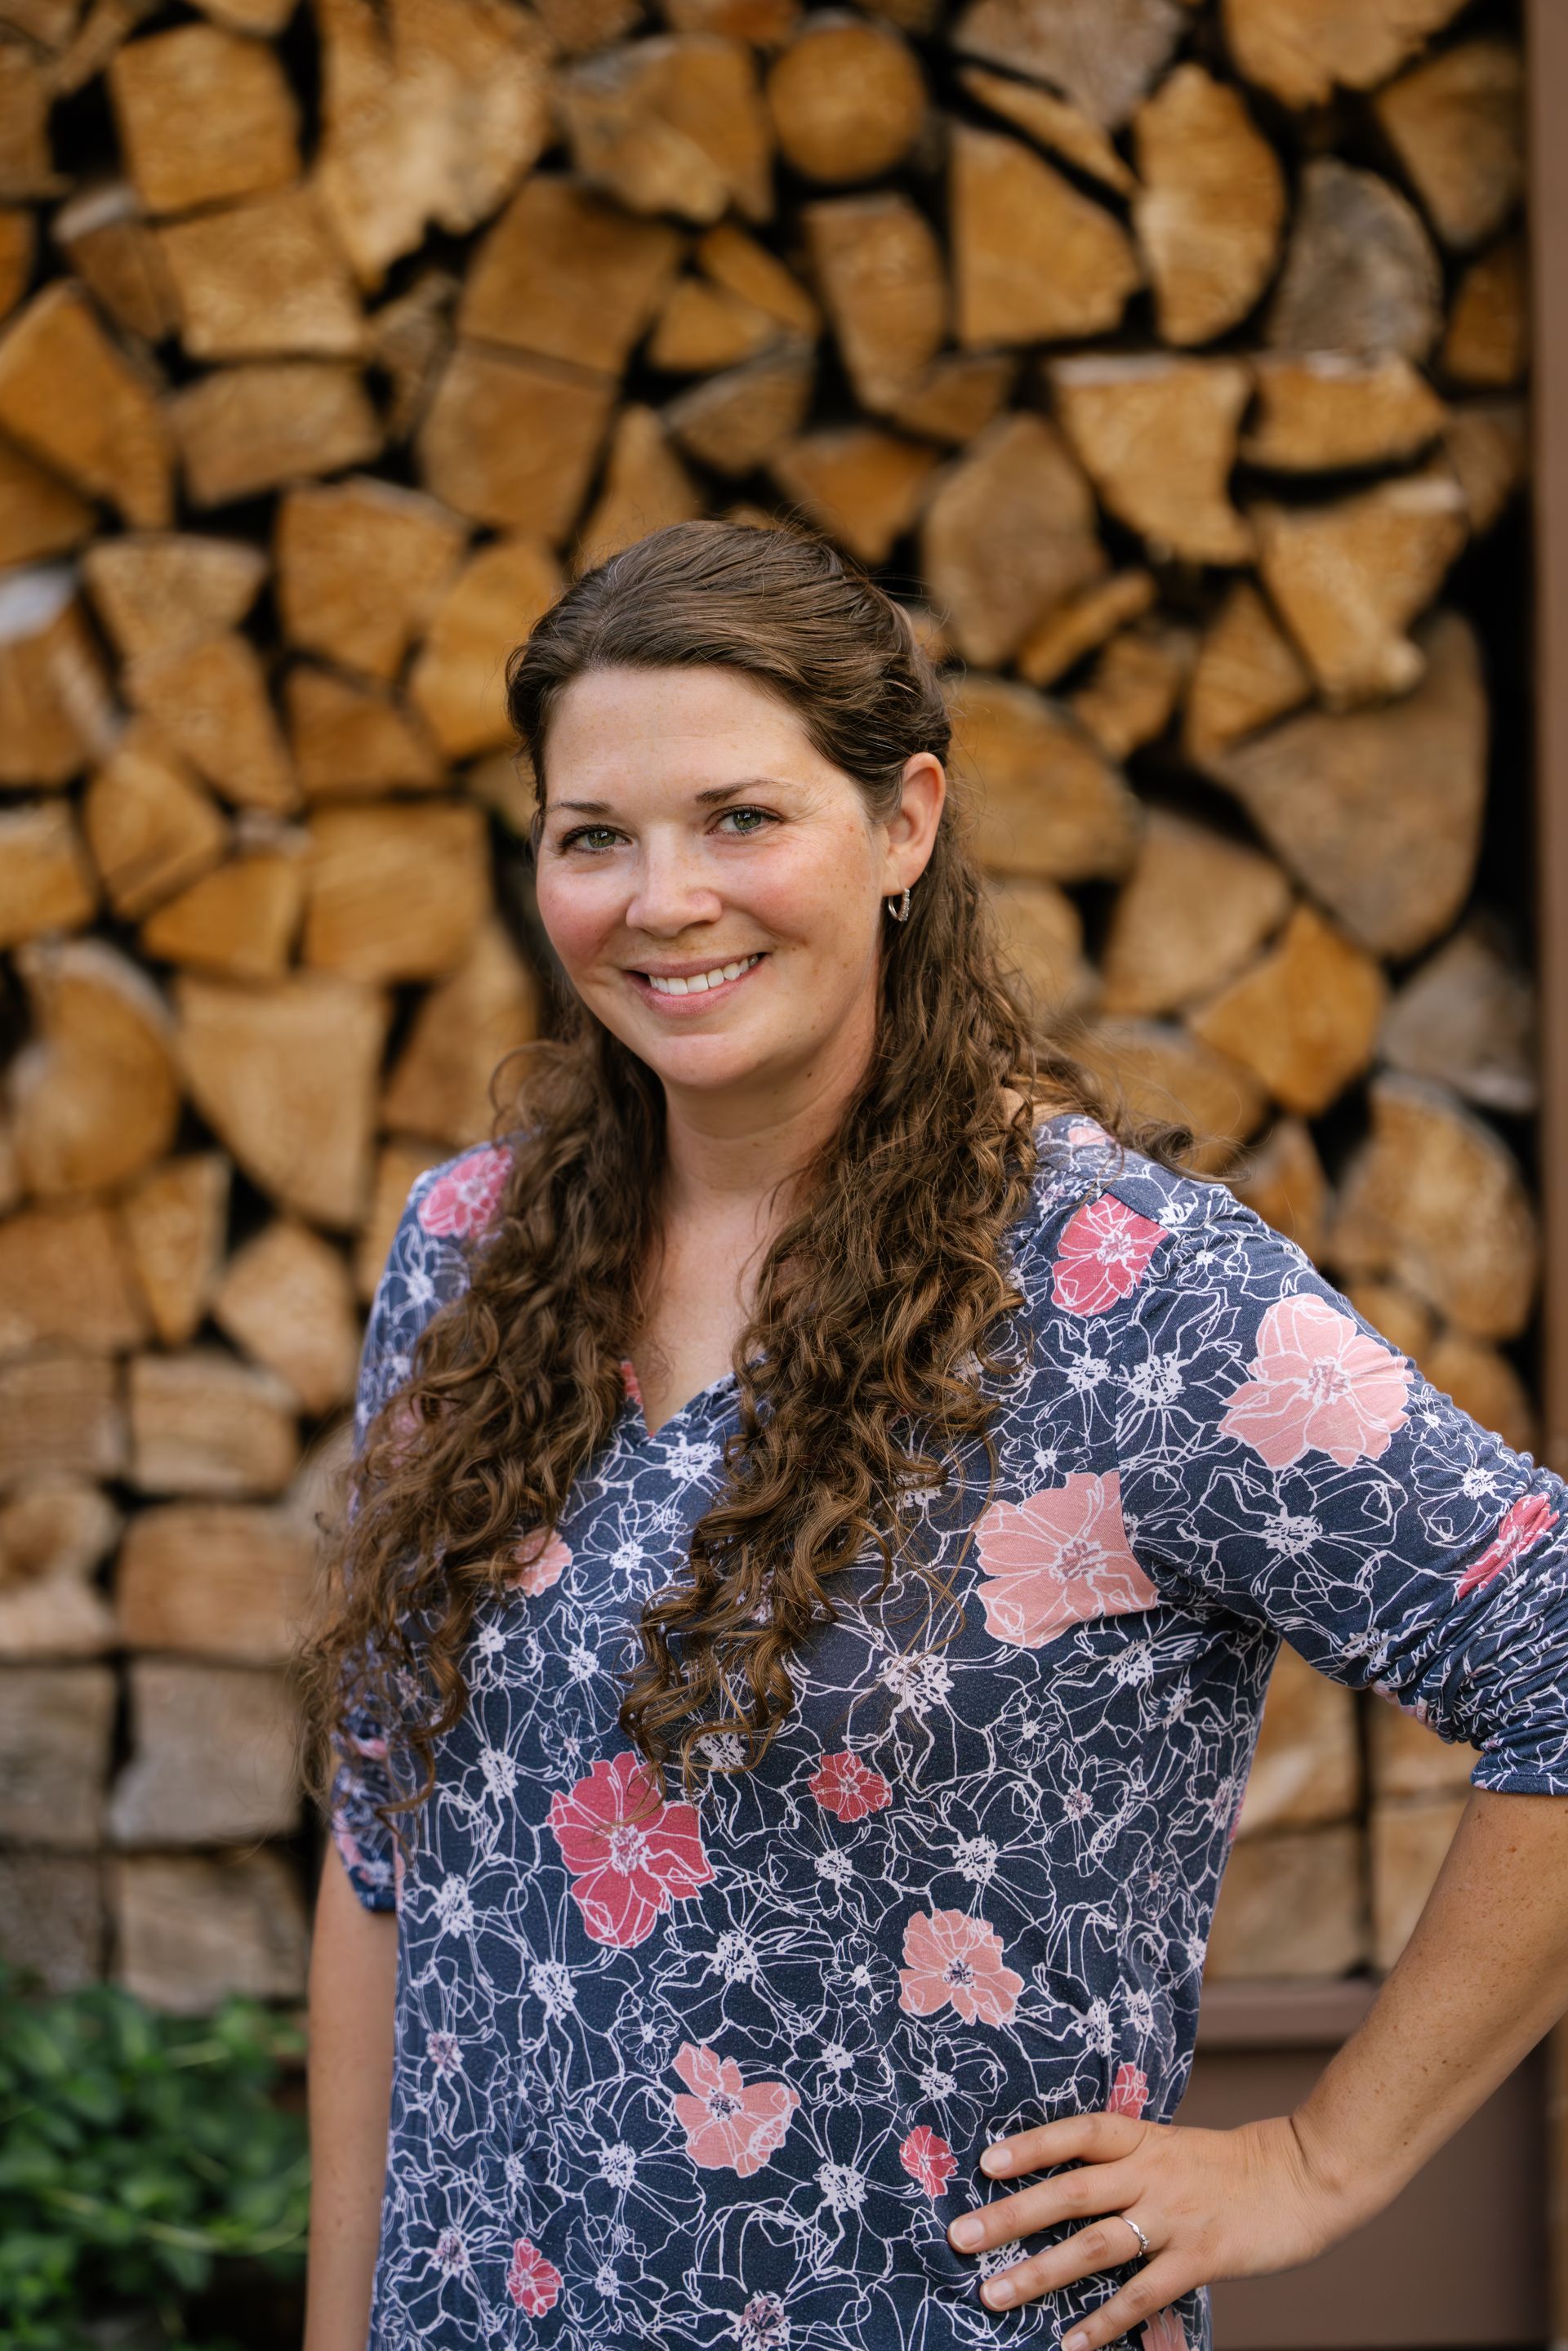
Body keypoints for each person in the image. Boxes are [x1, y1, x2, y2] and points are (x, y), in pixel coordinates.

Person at [301, 519, 1568, 2351]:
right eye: (594, 837)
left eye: (741, 817)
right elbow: (382, 1856)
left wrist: (1319, 2161)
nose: (664, 897)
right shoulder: (467, 1251)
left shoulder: (1126, 1299)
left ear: (904, 824)